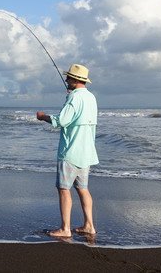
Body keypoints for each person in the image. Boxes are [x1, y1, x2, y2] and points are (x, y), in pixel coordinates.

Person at [36, 63, 98, 238]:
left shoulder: (75, 98)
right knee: (83, 189)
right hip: (87, 152)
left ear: (75, 79)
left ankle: (65, 229)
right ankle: (89, 226)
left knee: (64, 189)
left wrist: (43, 117)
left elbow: (61, 121)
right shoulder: (91, 98)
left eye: (69, 77)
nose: (66, 80)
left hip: (70, 152)